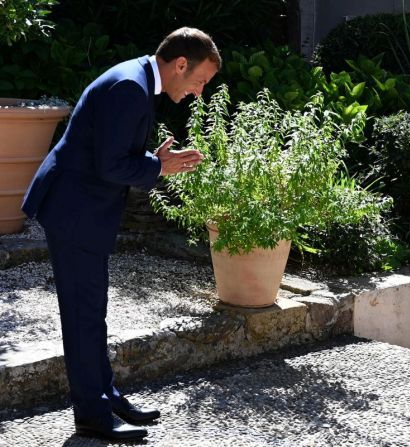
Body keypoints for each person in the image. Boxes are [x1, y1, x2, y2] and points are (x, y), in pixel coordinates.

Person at [22, 27, 221, 441]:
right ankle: (92, 416)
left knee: (92, 313)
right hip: (75, 213)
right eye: (200, 81)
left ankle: (106, 396)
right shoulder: (130, 87)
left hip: (80, 209)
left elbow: (109, 152)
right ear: (180, 64)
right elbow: (112, 166)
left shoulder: (135, 80)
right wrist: (159, 167)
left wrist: (151, 160)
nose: (199, 92)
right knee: (82, 315)